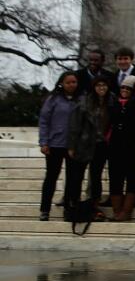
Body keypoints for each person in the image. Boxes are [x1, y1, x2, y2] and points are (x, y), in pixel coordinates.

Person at [67, 76, 114, 221]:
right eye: (98, 85)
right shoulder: (84, 102)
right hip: (84, 143)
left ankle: (94, 204)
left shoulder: (112, 101)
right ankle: (72, 204)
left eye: (104, 85)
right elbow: (74, 125)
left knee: (96, 176)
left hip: (102, 144)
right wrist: (72, 145)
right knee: (77, 176)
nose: (101, 88)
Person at [37, 72, 80, 221]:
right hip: (55, 144)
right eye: (68, 82)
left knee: (72, 179)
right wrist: (44, 142)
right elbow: (44, 121)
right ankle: (44, 210)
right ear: (62, 83)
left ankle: (69, 209)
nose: (71, 85)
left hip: (73, 145)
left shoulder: (81, 99)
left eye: (74, 82)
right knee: (51, 177)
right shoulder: (53, 99)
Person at [108, 76, 135, 221]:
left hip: (132, 145)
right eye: (123, 87)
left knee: (132, 178)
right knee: (115, 178)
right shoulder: (114, 103)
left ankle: (126, 211)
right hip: (115, 146)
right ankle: (117, 210)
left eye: (128, 88)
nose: (125, 91)